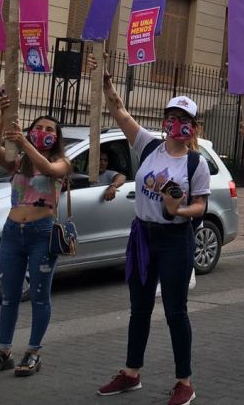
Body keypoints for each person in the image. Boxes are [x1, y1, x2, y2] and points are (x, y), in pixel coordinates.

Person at [91, 57, 211, 405]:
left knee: (176, 311)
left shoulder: (195, 163)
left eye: (183, 119)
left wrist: (178, 209)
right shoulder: (148, 146)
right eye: (171, 117)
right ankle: (131, 373)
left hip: (175, 239)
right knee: (139, 309)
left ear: (192, 126)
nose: (175, 123)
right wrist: (106, 85)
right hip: (144, 237)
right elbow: (119, 111)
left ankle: (184, 382)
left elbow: (200, 206)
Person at [0, 96, 71, 377]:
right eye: (38, 127)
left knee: (40, 296)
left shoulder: (63, 163)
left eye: (49, 130)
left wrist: (25, 142)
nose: (43, 132)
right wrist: (4, 117)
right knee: (9, 295)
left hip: (41, 234)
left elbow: (49, 169)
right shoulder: (17, 163)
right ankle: (4, 350)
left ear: (56, 139)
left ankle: (33, 351)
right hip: (12, 233)